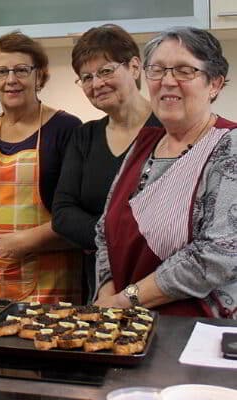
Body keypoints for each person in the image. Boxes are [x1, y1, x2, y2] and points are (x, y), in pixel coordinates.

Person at [94, 27, 237, 318]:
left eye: (184, 71)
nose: (168, 81)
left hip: (193, 332)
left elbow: (218, 254)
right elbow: (104, 232)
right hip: (125, 324)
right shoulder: (145, 143)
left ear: (215, 84)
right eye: (156, 70)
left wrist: (125, 300)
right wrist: (107, 293)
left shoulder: (229, 145)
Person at [0, 32, 83, 303]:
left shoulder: (66, 129)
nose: (11, 80)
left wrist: (28, 241)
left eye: (21, 70)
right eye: (1, 72)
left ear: (40, 75)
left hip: (46, 277)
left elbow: (82, 217)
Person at [52, 24, 161, 300]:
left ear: (135, 67)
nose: (96, 84)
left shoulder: (169, 129)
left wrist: (106, 238)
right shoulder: (84, 137)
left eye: (105, 71)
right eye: (86, 77)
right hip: (101, 288)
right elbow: (63, 214)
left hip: (161, 285)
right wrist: (122, 241)